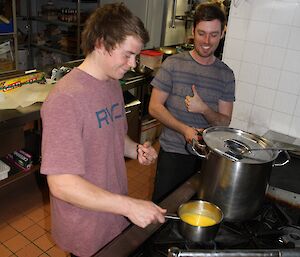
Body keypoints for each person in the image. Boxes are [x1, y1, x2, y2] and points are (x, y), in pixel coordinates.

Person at [40, 3, 166, 257]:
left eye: (136, 56)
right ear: (101, 43)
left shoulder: (111, 83)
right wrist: (129, 206)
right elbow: (61, 184)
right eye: (127, 54)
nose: (132, 64)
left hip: (112, 215)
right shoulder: (66, 99)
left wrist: (135, 149)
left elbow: (114, 137)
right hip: (86, 225)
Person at [149, 2, 235, 203]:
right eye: (202, 33)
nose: (207, 41)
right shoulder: (172, 64)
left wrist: (204, 109)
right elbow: (154, 107)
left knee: (196, 210)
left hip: (208, 158)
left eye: (214, 34)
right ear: (193, 31)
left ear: (223, 33)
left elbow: (224, 122)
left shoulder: (226, 75)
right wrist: (184, 129)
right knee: (164, 209)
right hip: (173, 153)